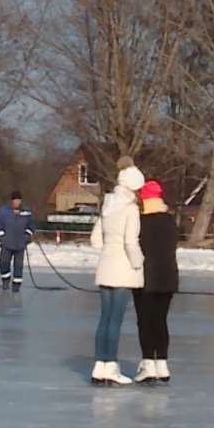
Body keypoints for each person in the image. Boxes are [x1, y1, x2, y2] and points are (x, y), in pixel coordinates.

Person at [89, 156, 145, 385]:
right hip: (122, 270)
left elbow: (95, 239)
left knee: (104, 318)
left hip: (106, 267)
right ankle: (111, 365)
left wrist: (108, 252)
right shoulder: (130, 209)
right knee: (115, 320)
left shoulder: (108, 205)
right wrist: (138, 262)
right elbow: (131, 242)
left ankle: (99, 365)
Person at [132, 179, 179, 384]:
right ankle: (162, 363)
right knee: (161, 320)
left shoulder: (141, 221)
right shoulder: (170, 220)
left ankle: (148, 363)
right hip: (168, 277)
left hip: (146, 278)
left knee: (145, 321)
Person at [0, 190, 35, 291]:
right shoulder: (4, 211)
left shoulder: (26, 212)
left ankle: (16, 285)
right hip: (7, 244)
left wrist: (27, 236)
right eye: (15, 200)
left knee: (19, 265)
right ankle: (5, 279)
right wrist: (2, 238)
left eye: (19, 200)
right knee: (4, 262)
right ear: (12, 201)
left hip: (20, 244)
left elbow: (31, 227)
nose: (17, 202)